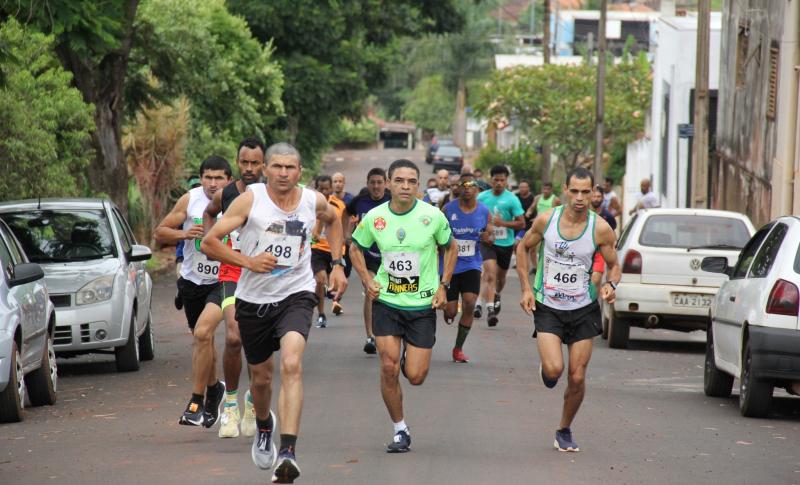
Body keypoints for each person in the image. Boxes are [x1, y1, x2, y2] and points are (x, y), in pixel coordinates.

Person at [202, 142, 347, 483]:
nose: (283, 173)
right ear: (266, 169)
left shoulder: (313, 201)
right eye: (277, 167)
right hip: (253, 300)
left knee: (293, 363)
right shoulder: (251, 199)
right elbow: (210, 241)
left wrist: (338, 263)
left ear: (300, 172)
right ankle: (265, 424)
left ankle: (288, 452)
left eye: (290, 168)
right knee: (262, 379)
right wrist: (248, 261)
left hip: (296, 294)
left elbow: (334, 220)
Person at [350, 158, 456, 453]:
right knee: (387, 366)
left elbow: (451, 247)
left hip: (422, 305)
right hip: (387, 300)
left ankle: (410, 355)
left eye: (411, 181)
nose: (405, 186)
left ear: (418, 185)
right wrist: (366, 278)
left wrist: (443, 285)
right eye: (399, 181)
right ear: (388, 182)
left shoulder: (432, 216)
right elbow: (355, 246)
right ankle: (400, 429)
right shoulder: (374, 217)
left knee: (417, 376)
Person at [515, 166, 620, 453]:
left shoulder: (600, 228)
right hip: (548, 306)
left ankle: (564, 429)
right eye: (574, 191)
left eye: (586, 192)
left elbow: (615, 264)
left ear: (594, 193)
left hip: (583, 307)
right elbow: (522, 249)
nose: (580, 197)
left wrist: (611, 285)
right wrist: (526, 288)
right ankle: (548, 370)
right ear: (565, 190)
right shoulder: (547, 220)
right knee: (554, 369)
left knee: (576, 376)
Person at [154, 156, 232, 428]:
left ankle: (196, 402)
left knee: (202, 333)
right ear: (201, 178)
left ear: (228, 180)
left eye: (219, 178)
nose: (213, 183)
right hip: (191, 281)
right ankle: (214, 388)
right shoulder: (190, 200)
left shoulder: (237, 202)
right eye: (208, 177)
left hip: (222, 280)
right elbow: (160, 232)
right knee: (203, 340)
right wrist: (184, 235)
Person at [202, 137, 265, 439]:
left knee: (259, 344)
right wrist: (209, 241)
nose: (250, 168)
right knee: (233, 336)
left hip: (264, 276)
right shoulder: (227, 193)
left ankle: (253, 401)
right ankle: (230, 406)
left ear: (263, 164)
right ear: (237, 162)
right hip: (232, 272)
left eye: (255, 163)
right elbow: (209, 211)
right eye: (245, 162)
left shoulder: (271, 194)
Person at [442, 174, 492, 363]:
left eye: (472, 185)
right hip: (449, 265)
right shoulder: (448, 209)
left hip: (471, 263)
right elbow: (437, 232)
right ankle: (448, 311)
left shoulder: (484, 211)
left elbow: (490, 232)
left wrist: (489, 237)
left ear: (477, 189)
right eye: (464, 185)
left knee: (470, 302)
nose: (467, 188)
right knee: (451, 311)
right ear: (458, 188)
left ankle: (458, 348)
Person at [345, 168, 391, 355]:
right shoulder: (360, 201)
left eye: (379, 182)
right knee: (372, 291)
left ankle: (389, 333)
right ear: (367, 183)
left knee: (388, 295)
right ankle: (370, 336)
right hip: (367, 256)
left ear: (386, 183)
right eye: (372, 182)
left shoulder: (391, 199)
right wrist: (346, 234)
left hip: (389, 257)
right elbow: (345, 213)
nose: (376, 186)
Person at [474, 165, 525, 326]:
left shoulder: (512, 199)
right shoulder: (482, 197)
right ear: (491, 180)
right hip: (488, 242)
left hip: (506, 243)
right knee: (489, 273)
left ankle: (496, 294)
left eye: (502, 180)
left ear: (506, 181)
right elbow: (474, 216)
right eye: (496, 180)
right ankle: (484, 307)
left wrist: (502, 223)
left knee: (500, 277)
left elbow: (521, 223)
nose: (499, 183)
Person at [311, 175, 348, 327]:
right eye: (321, 189)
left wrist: (345, 239)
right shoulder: (309, 204)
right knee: (320, 280)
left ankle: (335, 302)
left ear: (332, 188)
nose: (325, 192)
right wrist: (314, 236)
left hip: (335, 250)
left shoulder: (339, 205)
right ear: (316, 189)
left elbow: (344, 226)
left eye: (327, 188)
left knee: (336, 282)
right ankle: (321, 314)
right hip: (317, 249)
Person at [175, 176, 202, 310]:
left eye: (198, 185)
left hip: (205, 254)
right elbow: (174, 227)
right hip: (183, 249)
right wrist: (186, 232)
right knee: (181, 276)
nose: (197, 188)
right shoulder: (186, 201)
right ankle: (180, 291)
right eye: (194, 186)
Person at [589, 185, 617, 296]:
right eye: (594, 196)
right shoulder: (584, 214)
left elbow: (613, 235)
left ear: (603, 198)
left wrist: (613, 249)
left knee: (595, 279)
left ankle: (593, 305)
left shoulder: (608, 216)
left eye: (598, 196)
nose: (596, 199)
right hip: (584, 251)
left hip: (600, 253)